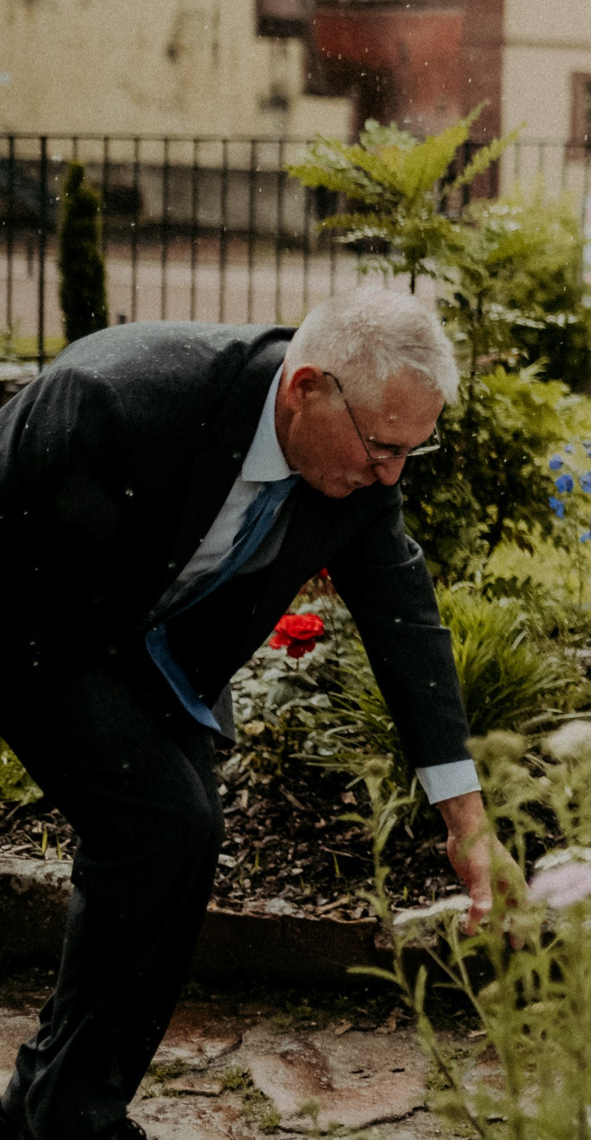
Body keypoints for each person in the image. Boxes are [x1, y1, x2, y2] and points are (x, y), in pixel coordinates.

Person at [0, 289, 500, 1140]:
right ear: (306, 388)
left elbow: (404, 620)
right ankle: (65, 1116)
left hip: (142, 645)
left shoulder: (355, 470)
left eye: (415, 449)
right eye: (384, 446)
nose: (392, 474)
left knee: (185, 841)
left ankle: (63, 1105)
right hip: (28, 610)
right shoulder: (120, 397)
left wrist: (466, 819)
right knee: (160, 817)